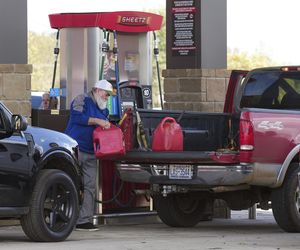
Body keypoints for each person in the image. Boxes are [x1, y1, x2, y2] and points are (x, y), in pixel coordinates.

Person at [65, 79, 114, 231]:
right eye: (107, 94)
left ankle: (83, 220)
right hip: (75, 149)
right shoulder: (81, 100)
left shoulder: (104, 110)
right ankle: (64, 217)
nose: (107, 98)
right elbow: (76, 118)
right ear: (98, 90)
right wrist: (97, 121)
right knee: (69, 183)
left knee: (90, 186)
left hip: (92, 152)